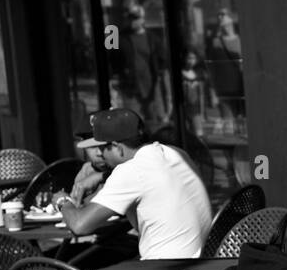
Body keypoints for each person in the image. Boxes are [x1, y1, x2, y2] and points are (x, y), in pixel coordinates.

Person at [52, 108, 211, 260]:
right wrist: (102, 176)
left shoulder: (131, 171)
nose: (100, 154)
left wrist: (63, 201)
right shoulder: (175, 153)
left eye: (102, 148)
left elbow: (80, 225)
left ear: (117, 147)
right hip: (202, 263)